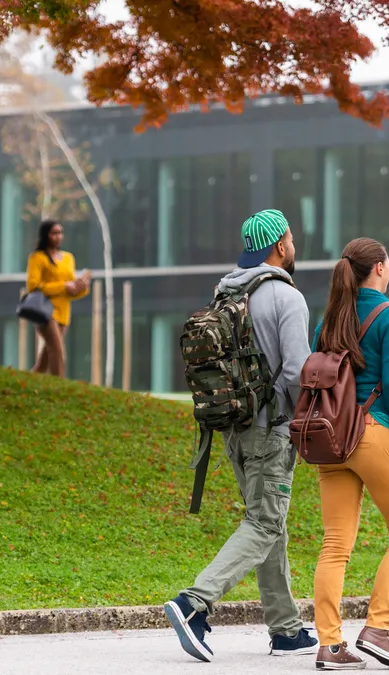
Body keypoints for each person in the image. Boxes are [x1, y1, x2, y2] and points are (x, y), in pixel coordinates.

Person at [164, 209, 318, 661]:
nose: (293, 245)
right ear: (280, 246)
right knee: (265, 521)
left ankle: (286, 629)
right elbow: (296, 372)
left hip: (233, 427)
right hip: (271, 429)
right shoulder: (287, 298)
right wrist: (302, 426)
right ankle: (194, 603)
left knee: (268, 520)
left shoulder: (226, 291)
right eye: (290, 238)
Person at [309, 237, 389, 671]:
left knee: (335, 544)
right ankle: (377, 629)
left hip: (332, 438)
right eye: (388, 261)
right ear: (377, 267)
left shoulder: (328, 322)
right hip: (374, 434)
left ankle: (330, 646)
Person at [25, 220, 90, 378]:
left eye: (60, 232)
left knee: (46, 358)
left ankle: (28, 381)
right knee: (58, 351)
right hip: (44, 311)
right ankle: (60, 385)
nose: (58, 236)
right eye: (54, 233)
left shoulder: (68, 258)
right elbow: (33, 286)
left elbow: (70, 290)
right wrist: (63, 286)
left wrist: (81, 287)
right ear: (46, 235)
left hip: (63, 313)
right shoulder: (37, 258)